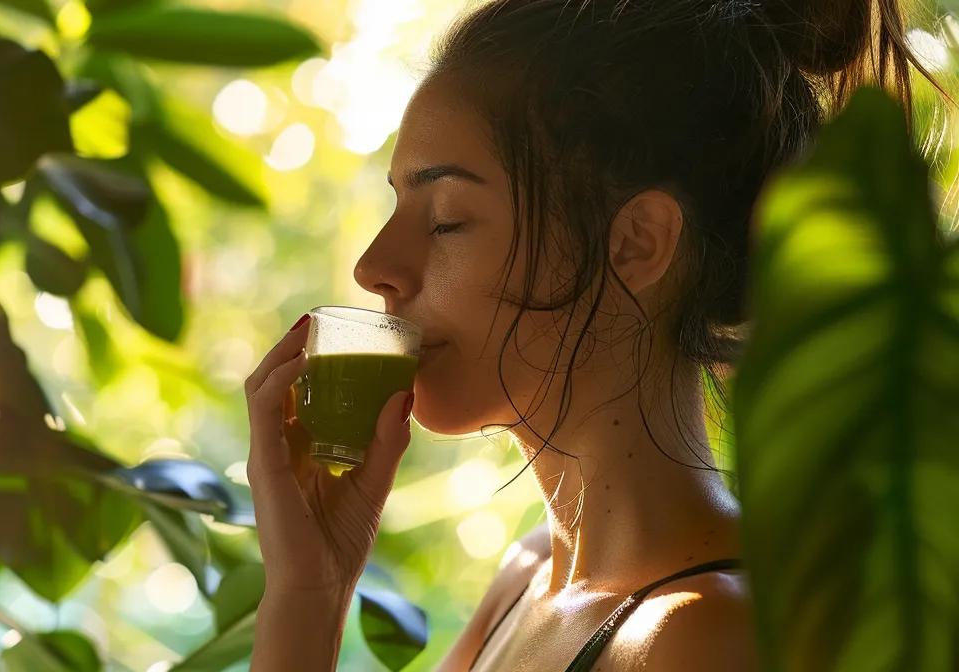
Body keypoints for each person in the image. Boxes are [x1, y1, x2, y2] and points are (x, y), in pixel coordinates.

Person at [244, 0, 941, 669]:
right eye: (398, 204)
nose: (373, 268)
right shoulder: (528, 580)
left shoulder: (703, 639)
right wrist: (312, 590)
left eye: (448, 217)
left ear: (637, 243)